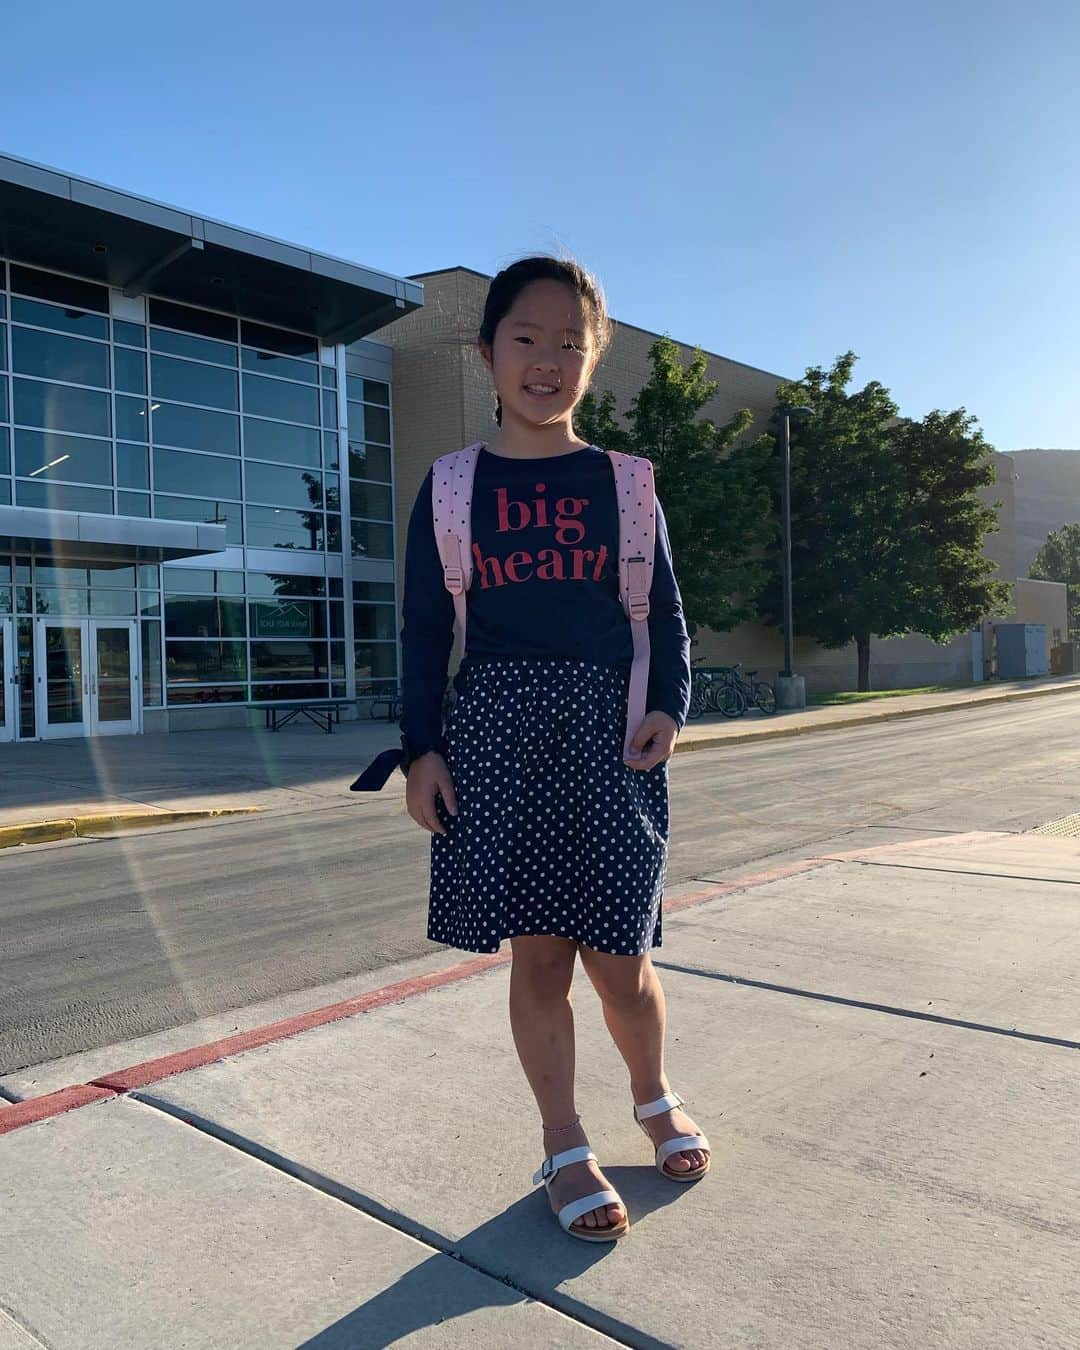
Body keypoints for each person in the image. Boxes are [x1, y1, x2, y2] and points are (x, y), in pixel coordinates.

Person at [397, 255, 709, 1241]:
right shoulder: (451, 489)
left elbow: (664, 613)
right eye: (525, 339)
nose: (547, 359)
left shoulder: (625, 485)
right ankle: (565, 1143)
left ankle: (652, 1096)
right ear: (488, 354)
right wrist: (421, 751)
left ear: (595, 356)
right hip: (494, 742)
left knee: (622, 960)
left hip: (610, 746)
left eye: (569, 342)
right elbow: (419, 634)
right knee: (538, 963)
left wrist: (669, 705)